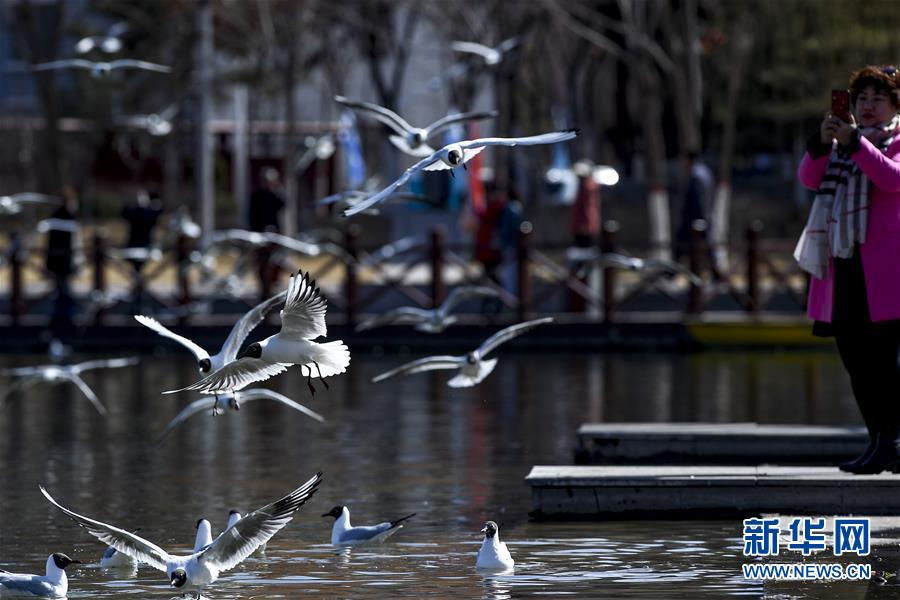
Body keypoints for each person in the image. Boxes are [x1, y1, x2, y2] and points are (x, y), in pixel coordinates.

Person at [794, 65, 900, 474]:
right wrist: (823, 144)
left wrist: (855, 141)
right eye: (861, 99)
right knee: (855, 358)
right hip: (844, 262)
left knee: (882, 359)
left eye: (878, 98)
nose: (868, 106)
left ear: (894, 104)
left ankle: (892, 440)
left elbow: (891, 179)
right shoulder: (845, 143)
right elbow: (809, 178)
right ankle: (879, 440)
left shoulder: (890, 141)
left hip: (887, 269)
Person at [247, 166, 285, 300]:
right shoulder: (256, 195)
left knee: (276, 260)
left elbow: (284, 204)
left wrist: (277, 189)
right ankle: (263, 286)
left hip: (275, 234)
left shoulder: (275, 195)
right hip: (260, 234)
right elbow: (251, 215)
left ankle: (274, 283)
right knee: (261, 262)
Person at [45, 188, 78, 337]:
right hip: (63, 261)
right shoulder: (68, 217)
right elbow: (72, 242)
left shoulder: (56, 217)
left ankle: (60, 318)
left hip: (58, 261)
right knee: (63, 291)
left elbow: (51, 242)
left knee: (61, 290)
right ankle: (65, 318)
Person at [674, 151, 714, 261]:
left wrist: (698, 216)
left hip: (693, 217)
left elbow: (696, 199)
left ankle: (672, 270)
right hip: (702, 215)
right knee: (704, 245)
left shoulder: (696, 175)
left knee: (682, 244)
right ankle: (715, 271)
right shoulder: (705, 172)